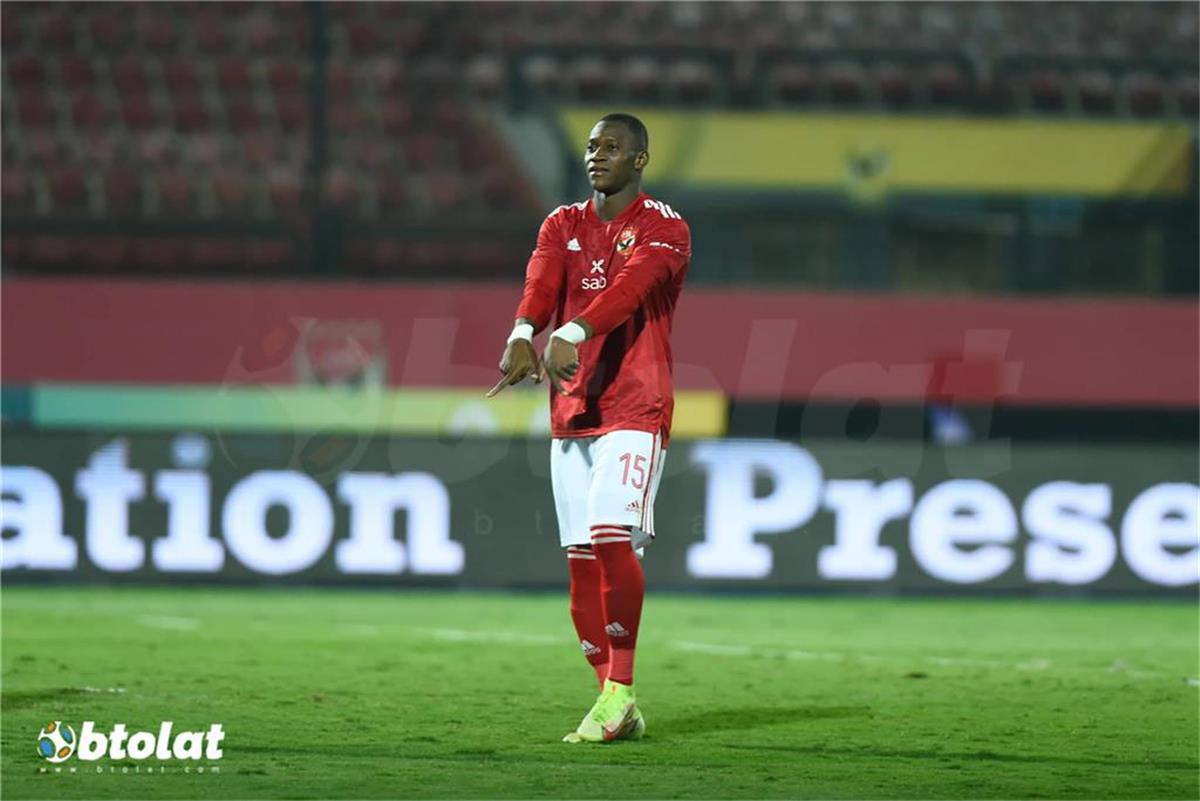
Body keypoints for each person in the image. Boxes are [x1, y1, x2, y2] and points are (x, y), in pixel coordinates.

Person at [487, 112, 691, 743]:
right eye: (592, 145)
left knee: (609, 537)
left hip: (635, 404)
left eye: (612, 147)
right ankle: (612, 701)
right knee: (579, 562)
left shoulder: (665, 227)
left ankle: (621, 689)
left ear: (640, 160)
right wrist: (523, 332)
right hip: (572, 410)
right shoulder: (562, 223)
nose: (596, 155)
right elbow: (541, 282)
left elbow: (629, 291)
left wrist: (571, 332)